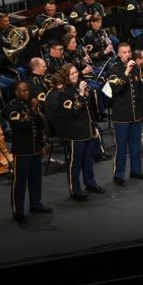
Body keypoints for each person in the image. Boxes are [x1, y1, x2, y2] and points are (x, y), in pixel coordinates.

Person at [44, 64, 102, 201]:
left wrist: (93, 127)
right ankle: (75, 191)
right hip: (74, 133)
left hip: (86, 130)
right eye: (72, 74)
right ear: (66, 77)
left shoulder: (75, 88)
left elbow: (88, 110)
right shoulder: (63, 93)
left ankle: (90, 183)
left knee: (88, 160)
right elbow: (74, 112)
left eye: (76, 72)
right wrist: (82, 94)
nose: (76, 75)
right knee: (75, 163)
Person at [6, 81, 52, 223]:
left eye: (28, 91)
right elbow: (22, 125)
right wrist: (33, 109)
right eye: (23, 91)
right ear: (17, 92)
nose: (27, 93)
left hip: (35, 149)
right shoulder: (12, 108)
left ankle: (35, 204)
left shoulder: (28, 105)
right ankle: (18, 211)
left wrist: (42, 144)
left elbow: (38, 126)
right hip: (22, 150)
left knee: (36, 179)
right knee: (19, 182)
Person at [108, 43, 143, 186]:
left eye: (128, 51)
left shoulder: (137, 68)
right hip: (121, 116)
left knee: (136, 145)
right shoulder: (114, 70)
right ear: (119, 54)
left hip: (136, 114)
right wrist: (126, 72)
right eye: (124, 52)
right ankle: (118, 175)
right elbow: (116, 89)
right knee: (121, 148)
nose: (127, 54)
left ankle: (136, 171)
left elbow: (142, 91)